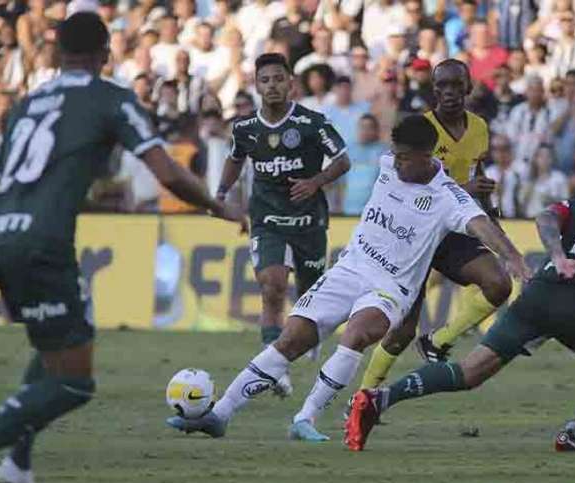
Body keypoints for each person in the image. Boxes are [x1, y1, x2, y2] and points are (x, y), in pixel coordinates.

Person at [0, 12, 240, 483]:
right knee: (72, 384)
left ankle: (17, 468)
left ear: (55, 54)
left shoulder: (26, 105)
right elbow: (170, 175)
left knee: (66, 335)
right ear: (107, 53)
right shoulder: (112, 99)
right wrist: (219, 207)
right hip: (42, 243)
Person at [165, 114, 530, 441]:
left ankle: (306, 418)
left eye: (404, 156)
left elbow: (481, 225)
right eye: (395, 153)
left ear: (426, 155)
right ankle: (220, 415)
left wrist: (512, 256)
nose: (395, 160)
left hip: (391, 287)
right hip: (350, 267)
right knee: (292, 339)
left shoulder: (449, 197)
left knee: (357, 334)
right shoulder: (389, 163)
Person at [347, 150, 575, 453]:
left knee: (470, 371)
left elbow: (545, 217)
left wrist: (558, 256)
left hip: (540, 292)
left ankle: (379, 398)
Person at [355, 59, 514, 398]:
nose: (450, 93)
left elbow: (476, 174)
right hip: (416, 232)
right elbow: (401, 183)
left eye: (457, 86)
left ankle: (438, 341)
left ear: (469, 88)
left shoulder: (479, 128)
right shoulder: (419, 129)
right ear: (433, 91)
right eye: (442, 86)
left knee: (499, 284)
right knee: (401, 331)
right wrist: (464, 191)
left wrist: (491, 217)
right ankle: (363, 397)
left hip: (453, 233)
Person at [213, 53, 351, 395]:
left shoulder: (311, 123)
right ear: (256, 85)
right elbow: (235, 160)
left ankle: (309, 336)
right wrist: (220, 194)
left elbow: (343, 160)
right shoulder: (245, 128)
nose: (272, 85)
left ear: (290, 83)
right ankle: (274, 369)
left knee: (310, 295)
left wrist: (315, 182)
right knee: (272, 286)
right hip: (266, 218)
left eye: (278, 79)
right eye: (265, 80)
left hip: (308, 220)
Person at [343, 114, 388, 215]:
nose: (365, 131)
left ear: (377, 130)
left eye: (369, 128)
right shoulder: (348, 150)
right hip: (349, 210)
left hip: (374, 213)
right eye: (362, 127)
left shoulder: (385, 152)